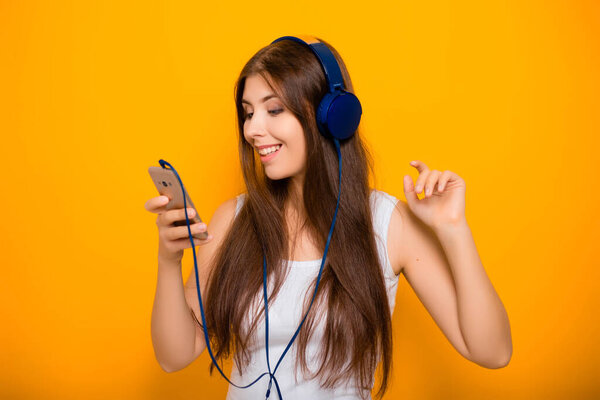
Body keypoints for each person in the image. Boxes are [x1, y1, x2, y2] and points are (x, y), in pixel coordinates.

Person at [144, 36, 512, 400]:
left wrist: (453, 230)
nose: (252, 129)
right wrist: (168, 260)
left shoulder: (387, 223)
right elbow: (174, 356)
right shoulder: (233, 220)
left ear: (332, 117)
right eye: (248, 111)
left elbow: (492, 352)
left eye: (273, 110)